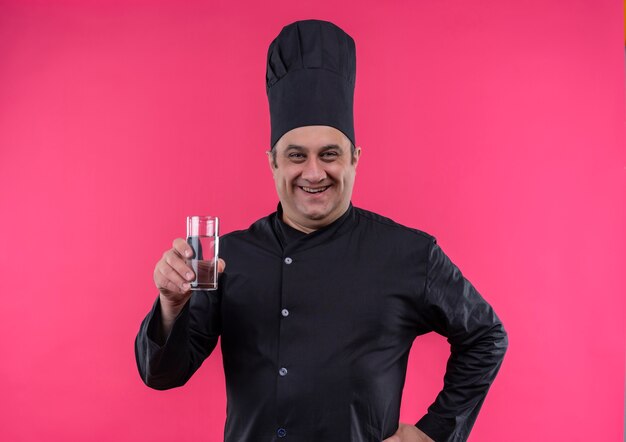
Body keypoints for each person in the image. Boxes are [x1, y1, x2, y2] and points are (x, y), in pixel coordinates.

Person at [135, 19, 508, 442]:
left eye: (329, 154)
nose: (314, 172)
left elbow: (486, 335)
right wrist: (170, 305)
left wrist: (432, 434)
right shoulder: (229, 258)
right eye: (296, 155)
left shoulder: (408, 253)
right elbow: (162, 375)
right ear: (273, 161)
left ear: (354, 158)